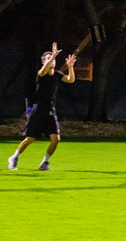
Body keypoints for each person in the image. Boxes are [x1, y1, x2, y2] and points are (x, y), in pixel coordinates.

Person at [8, 42, 76, 171]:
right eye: (48, 59)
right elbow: (43, 69)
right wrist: (52, 55)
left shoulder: (57, 75)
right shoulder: (42, 73)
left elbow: (71, 80)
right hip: (38, 109)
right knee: (30, 138)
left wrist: (70, 66)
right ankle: (14, 157)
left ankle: (45, 163)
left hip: (51, 110)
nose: (52, 61)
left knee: (56, 139)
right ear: (44, 61)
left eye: (53, 59)